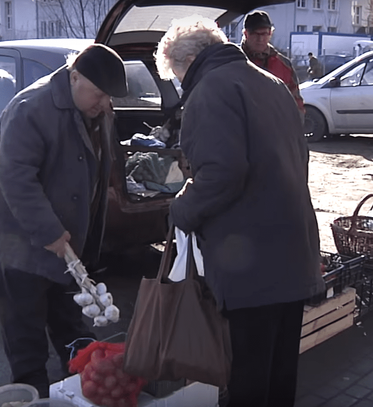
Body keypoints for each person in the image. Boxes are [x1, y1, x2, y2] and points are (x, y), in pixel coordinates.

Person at [155, 16, 324, 407]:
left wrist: (182, 209)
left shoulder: (210, 90)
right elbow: (297, 160)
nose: (181, 84)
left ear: (191, 58)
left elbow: (222, 174)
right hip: (292, 246)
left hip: (252, 260)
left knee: (247, 374)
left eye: (178, 74)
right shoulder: (272, 82)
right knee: (280, 369)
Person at [0, 44, 127, 397]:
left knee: (72, 329)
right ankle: (34, 398)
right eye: (100, 94)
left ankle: (87, 394)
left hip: (71, 249)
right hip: (23, 250)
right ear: (74, 77)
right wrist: (51, 233)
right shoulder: (31, 108)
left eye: (109, 97)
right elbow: (14, 178)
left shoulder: (96, 108)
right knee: (26, 340)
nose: (105, 104)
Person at [241, 10, 305, 118]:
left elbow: (295, 100)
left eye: (264, 33)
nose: (260, 39)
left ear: (270, 33)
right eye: (255, 34)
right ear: (246, 34)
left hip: (276, 128)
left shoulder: (283, 64)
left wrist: (296, 125)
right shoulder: (234, 60)